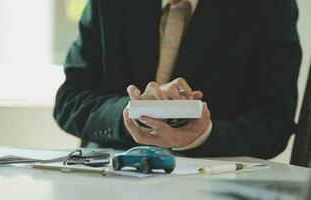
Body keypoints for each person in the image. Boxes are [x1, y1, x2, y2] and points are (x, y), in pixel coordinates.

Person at [54, 0, 302, 159]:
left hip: (212, 186)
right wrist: (132, 112)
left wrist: (205, 135)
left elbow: (274, 123)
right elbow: (68, 103)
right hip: (108, 180)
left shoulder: (269, 7)